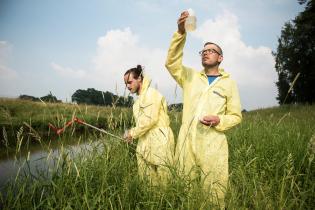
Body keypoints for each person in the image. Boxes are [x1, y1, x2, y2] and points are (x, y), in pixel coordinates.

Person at [165, 11, 242, 208]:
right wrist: (180, 33)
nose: (206, 52)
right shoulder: (189, 76)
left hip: (213, 143)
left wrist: (219, 120)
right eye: (203, 51)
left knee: (214, 192)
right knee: (185, 190)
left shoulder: (229, 83)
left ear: (220, 58)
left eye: (211, 50)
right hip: (186, 142)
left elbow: (235, 116)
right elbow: (171, 63)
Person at [123, 65, 175, 185]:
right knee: (148, 181)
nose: (128, 86)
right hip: (144, 142)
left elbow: (149, 120)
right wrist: (133, 135)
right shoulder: (137, 102)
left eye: (130, 82)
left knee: (164, 180)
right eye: (126, 84)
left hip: (160, 141)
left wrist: (131, 133)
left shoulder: (151, 94)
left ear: (139, 78)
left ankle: (165, 203)